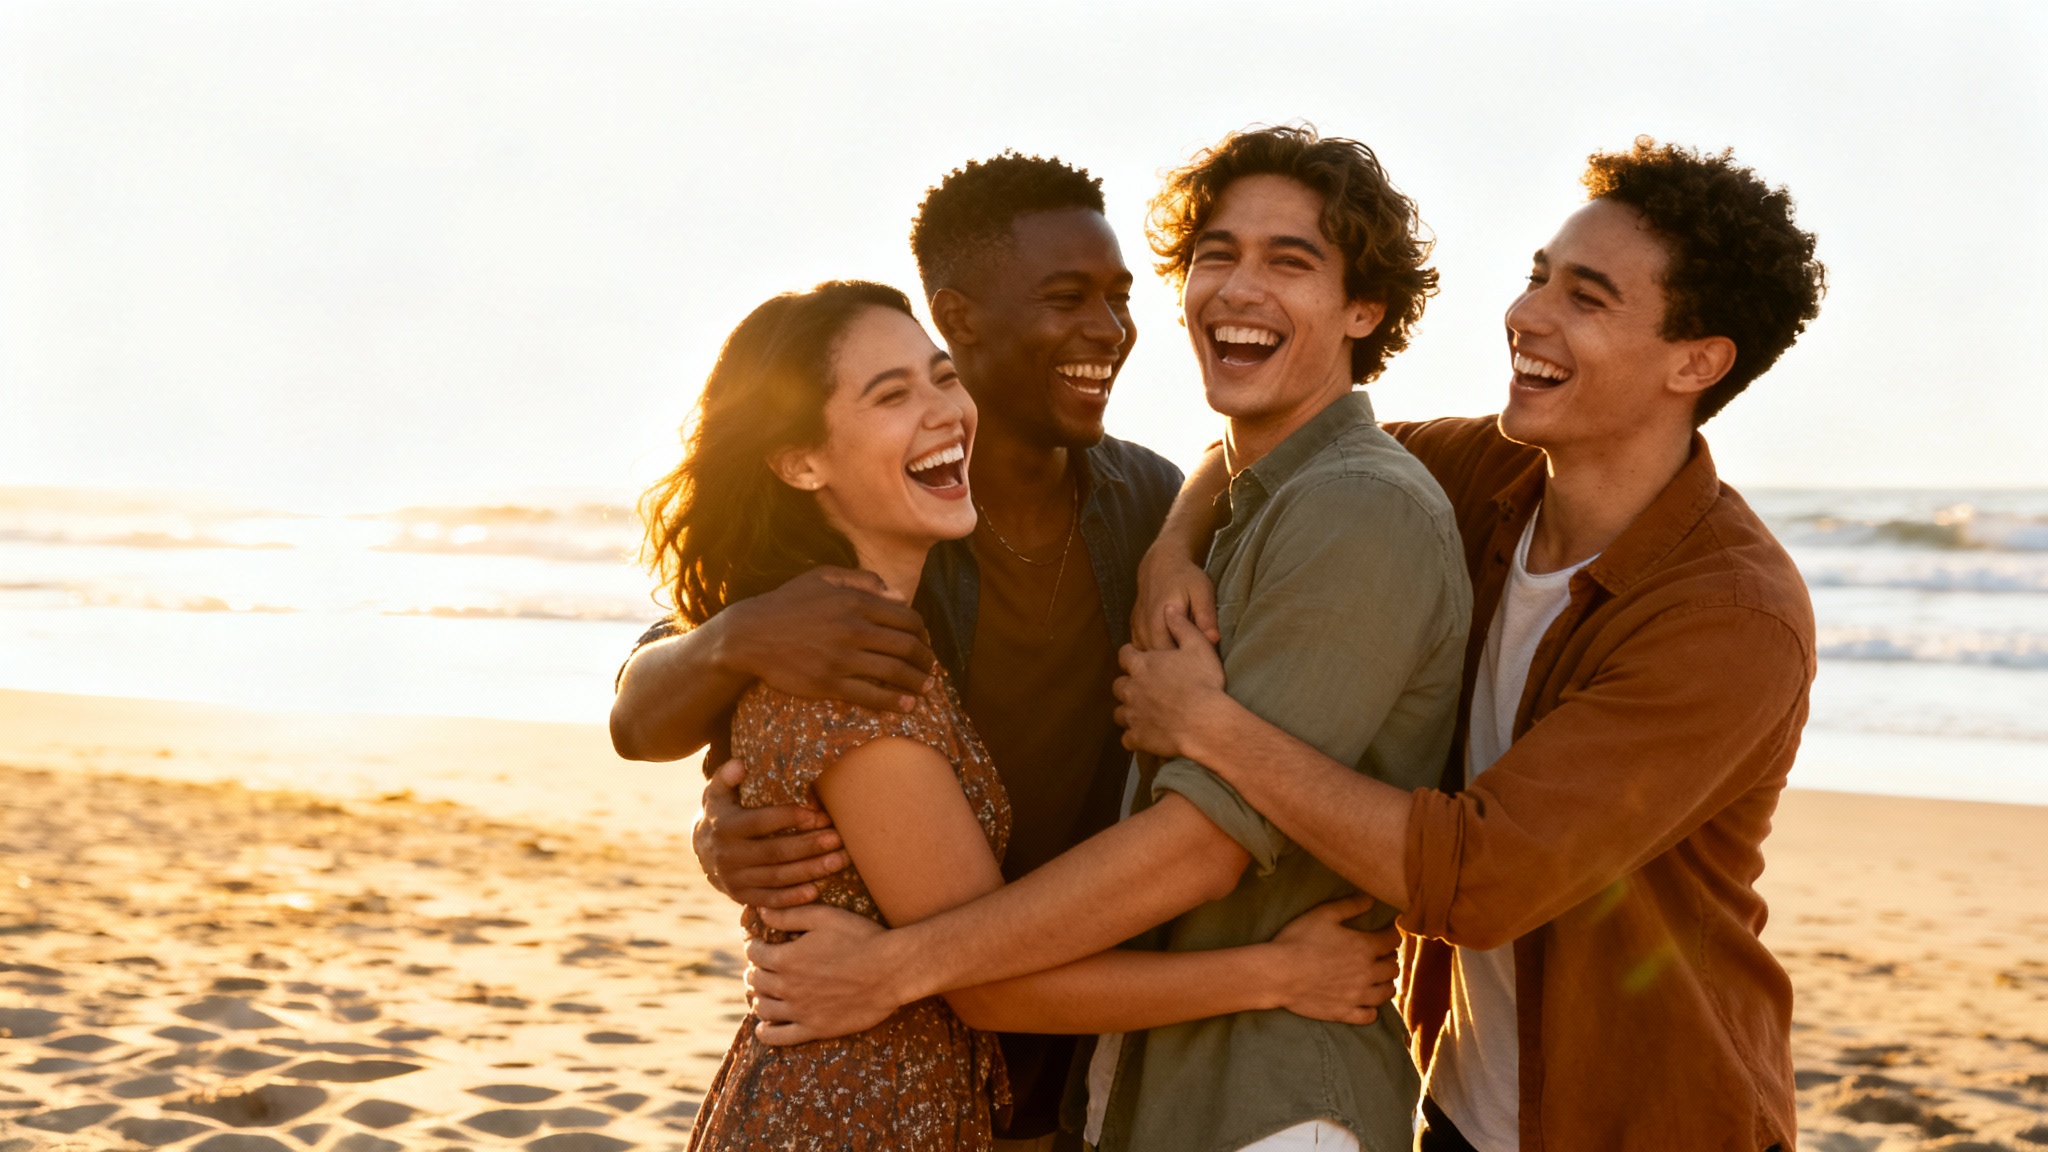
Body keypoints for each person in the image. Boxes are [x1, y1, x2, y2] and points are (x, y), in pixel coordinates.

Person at [614, 153, 1404, 1150]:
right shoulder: (874, 553)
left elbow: (1267, 457)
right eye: (1066, 299)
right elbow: (647, 708)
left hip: (1079, 1065)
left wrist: (1172, 542)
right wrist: (735, 650)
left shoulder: (1143, 502)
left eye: (1119, 298)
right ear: (962, 317)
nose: (1109, 330)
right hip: (928, 1047)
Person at [1116, 138, 1826, 1151]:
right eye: (1538, 276)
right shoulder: (1479, 473)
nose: (1525, 314)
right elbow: (1270, 447)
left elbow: (1479, 881)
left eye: (1584, 298)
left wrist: (1207, 727)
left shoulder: (1729, 618)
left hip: (1645, 1121)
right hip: (1458, 1105)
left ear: (1696, 362)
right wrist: (1170, 552)